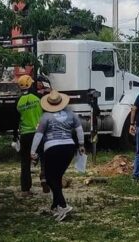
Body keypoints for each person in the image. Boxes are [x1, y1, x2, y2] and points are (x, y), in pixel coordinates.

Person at [30, 90, 84, 222]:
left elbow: (39, 135)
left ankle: (64, 205)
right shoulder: (71, 114)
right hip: (69, 148)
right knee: (57, 177)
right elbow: (79, 129)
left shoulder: (46, 117)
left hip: (52, 148)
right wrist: (81, 145)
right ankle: (56, 205)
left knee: (49, 178)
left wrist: (32, 152)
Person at [14, 75, 44, 195]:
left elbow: (15, 120)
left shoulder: (18, 101)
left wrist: (15, 136)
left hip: (25, 135)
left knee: (25, 162)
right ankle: (45, 181)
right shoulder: (38, 98)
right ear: (31, 85)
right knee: (43, 158)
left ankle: (25, 188)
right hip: (38, 133)